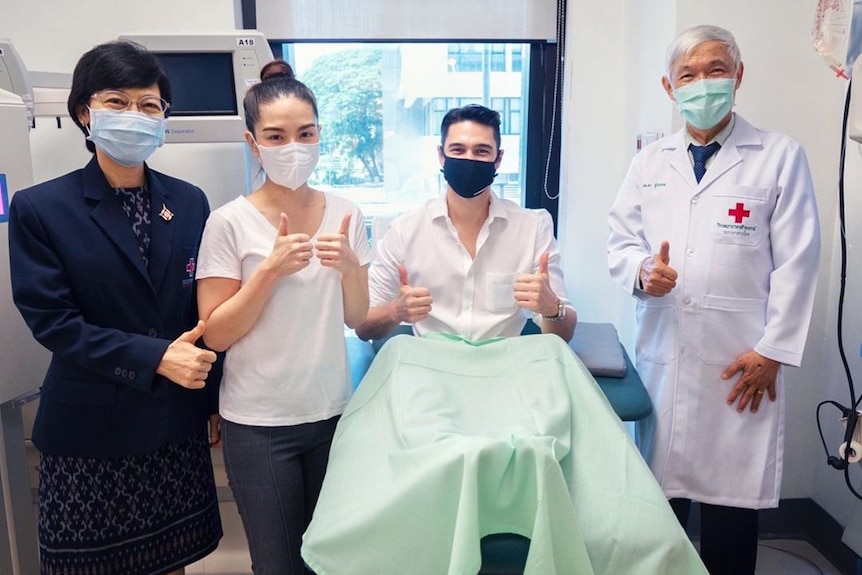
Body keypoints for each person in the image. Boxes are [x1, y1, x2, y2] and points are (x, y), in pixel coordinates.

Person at [607, 24, 820, 575]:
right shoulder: (649, 163)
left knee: (730, 518)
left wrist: (773, 351)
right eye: (689, 75)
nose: (703, 85)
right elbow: (621, 243)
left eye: (716, 70)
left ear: (739, 76)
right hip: (665, 356)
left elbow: (799, 260)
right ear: (668, 87)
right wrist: (641, 272)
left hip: (741, 364)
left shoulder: (778, 156)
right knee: (659, 513)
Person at [8, 41, 222, 575]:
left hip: (176, 419)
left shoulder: (190, 200)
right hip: (91, 430)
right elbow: (53, 322)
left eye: (149, 105)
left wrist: (213, 397)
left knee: (172, 559)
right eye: (116, 102)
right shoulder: (40, 208)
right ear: (84, 112)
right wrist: (155, 358)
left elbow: (201, 306)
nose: (135, 116)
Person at [195, 59, 371, 575]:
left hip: (332, 413)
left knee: (330, 560)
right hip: (260, 424)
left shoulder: (347, 212)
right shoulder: (228, 222)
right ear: (253, 143)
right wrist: (269, 271)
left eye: (305, 133)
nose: (293, 145)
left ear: (319, 136)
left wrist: (352, 268)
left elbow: (357, 318)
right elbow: (217, 334)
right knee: (278, 565)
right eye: (276, 135)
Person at [354, 103, 576, 344]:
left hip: (503, 368)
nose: (469, 159)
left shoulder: (533, 228)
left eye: (481, 151)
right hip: (430, 367)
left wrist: (552, 308)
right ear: (441, 155)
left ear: (498, 159)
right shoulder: (405, 231)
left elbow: (563, 335)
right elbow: (363, 327)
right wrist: (396, 311)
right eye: (458, 150)